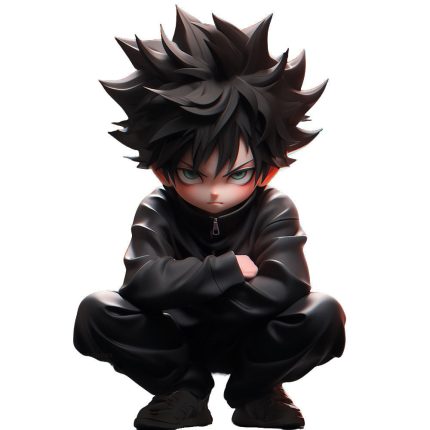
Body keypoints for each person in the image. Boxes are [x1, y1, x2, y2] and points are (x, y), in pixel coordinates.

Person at [73, 6, 346, 430]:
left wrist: (187, 291)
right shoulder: (158, 207)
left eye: (236, 174)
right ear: (162, 172)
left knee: (324, 312)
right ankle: (184, 391)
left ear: (267, 171)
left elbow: (289, 283)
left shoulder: (274, 206)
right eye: (191, 175)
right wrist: (226, 269)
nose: (214, 191)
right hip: (171, 343)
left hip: (253, 339)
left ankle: (256, 394)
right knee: (97, 310)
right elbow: (140, 283)